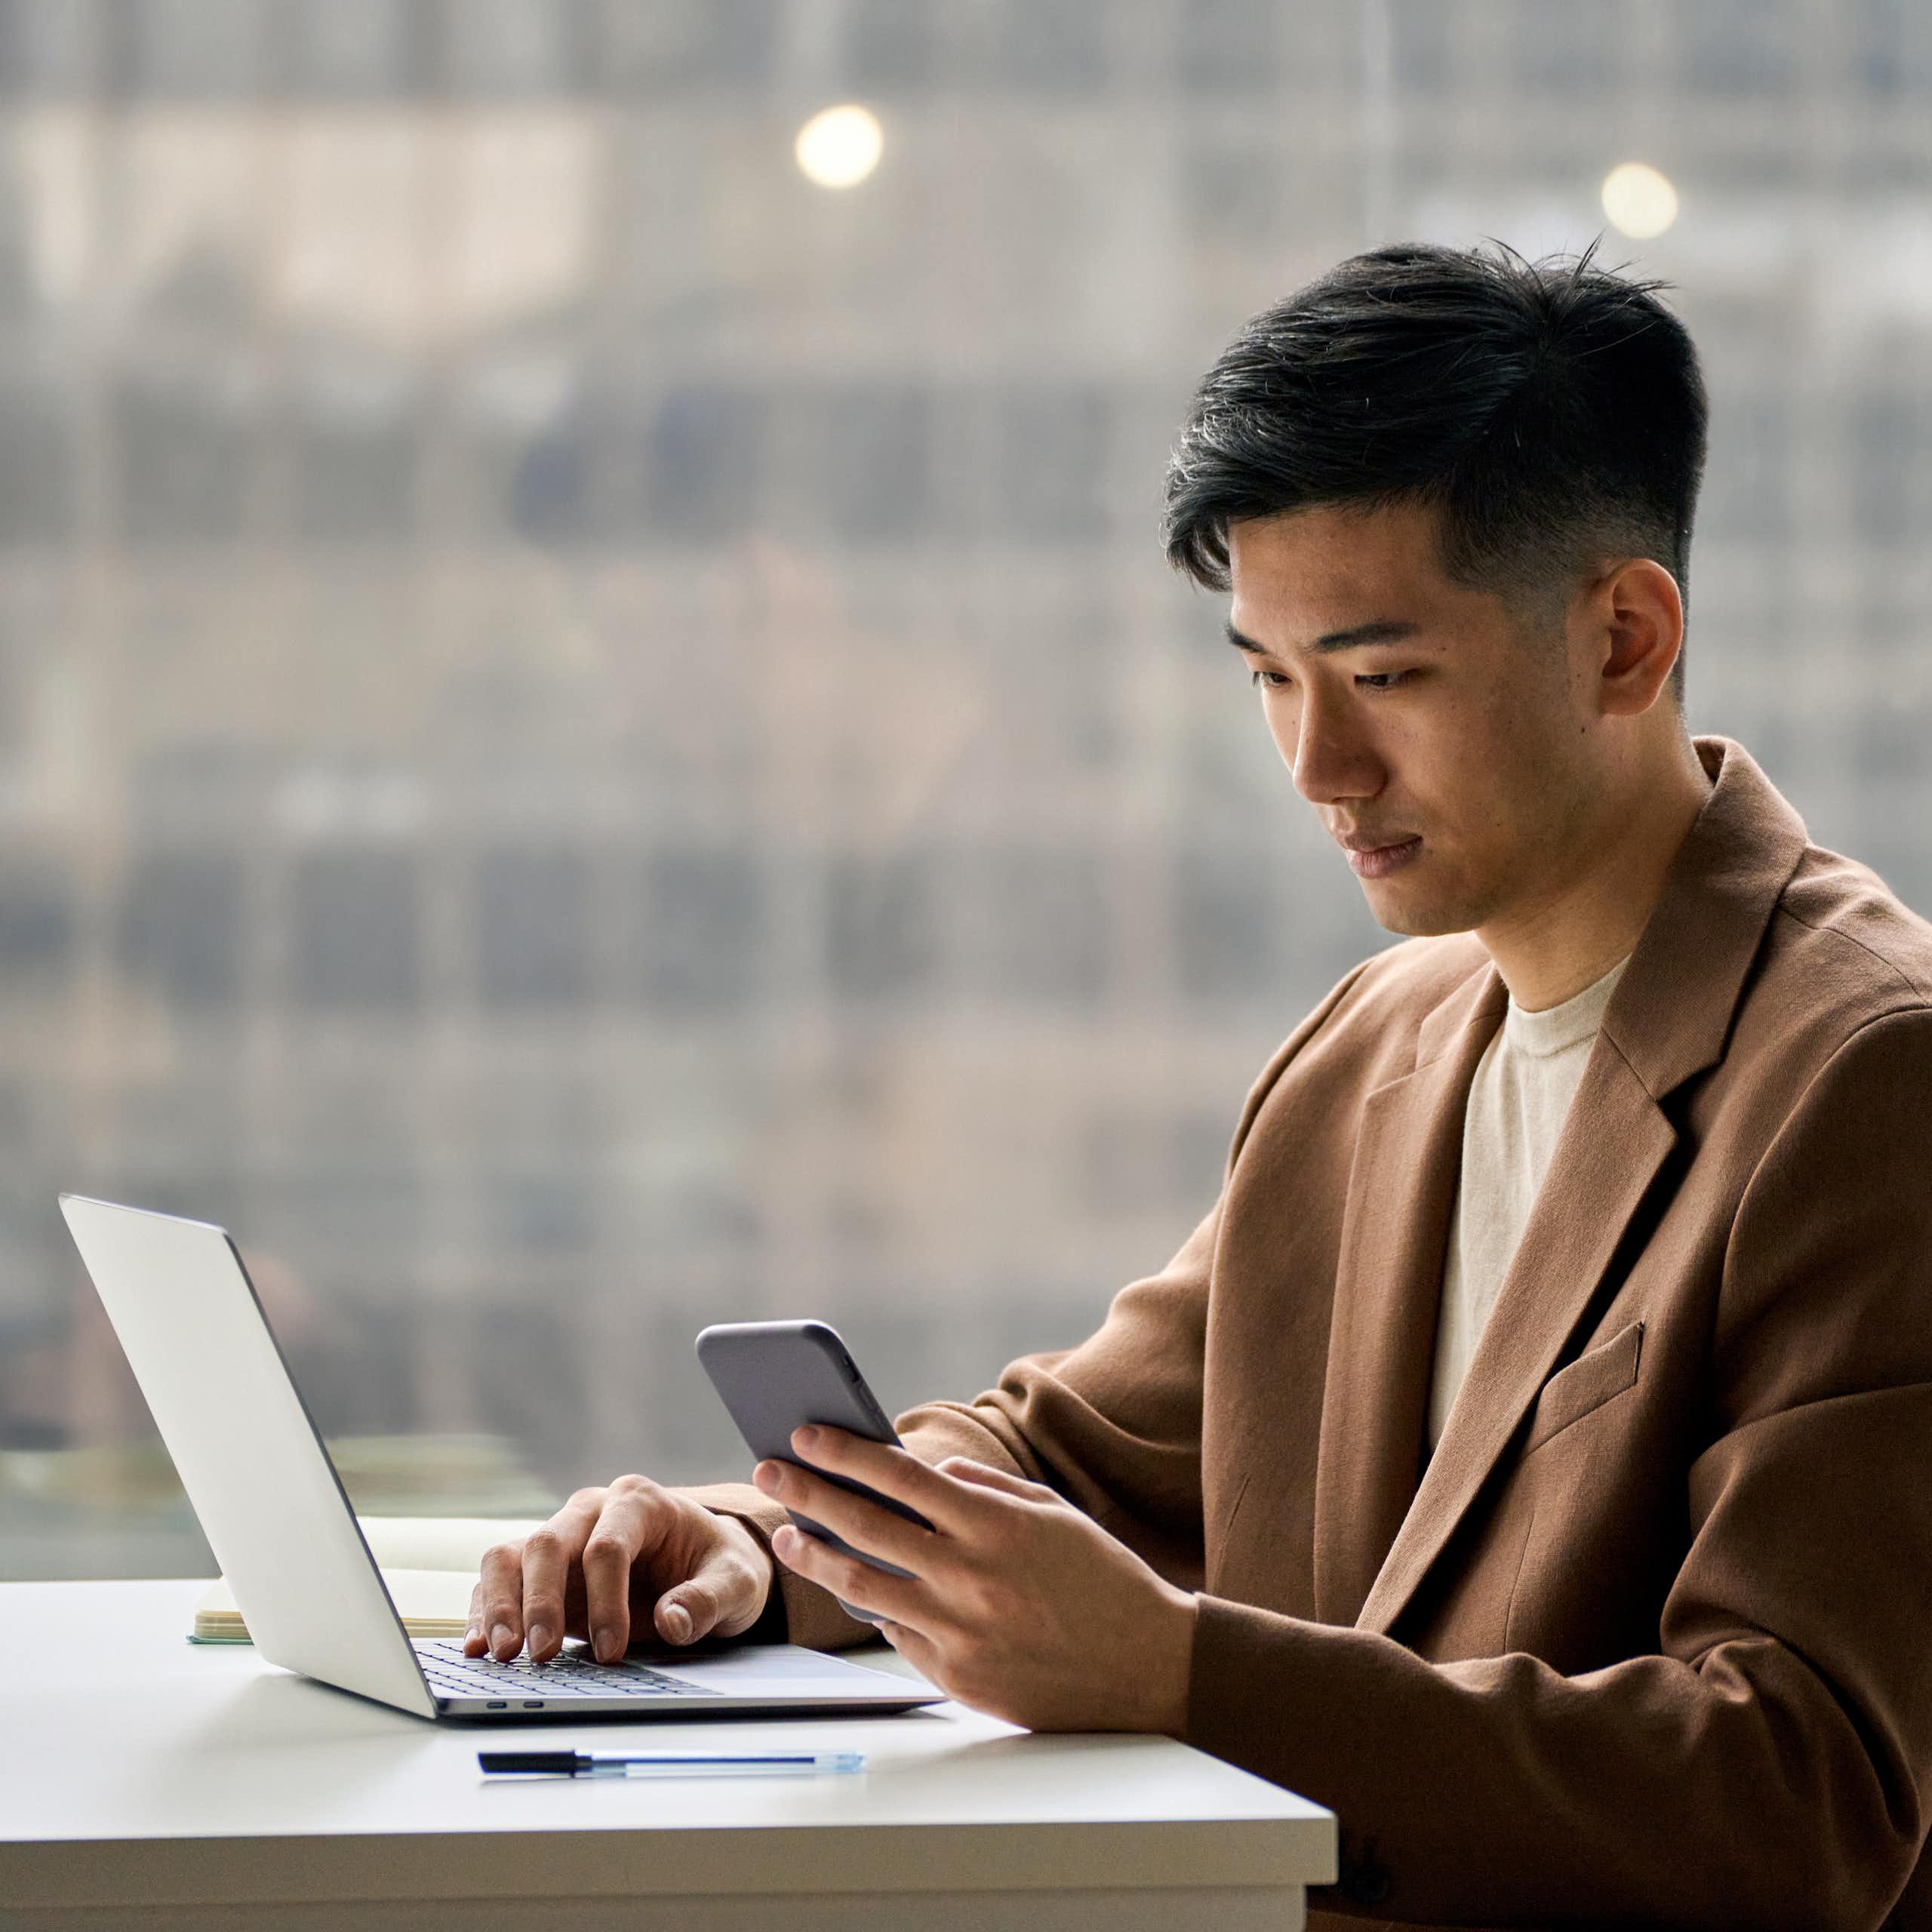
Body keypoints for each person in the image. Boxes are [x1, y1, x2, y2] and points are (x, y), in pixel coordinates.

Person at [466, 240, 1932, 1930]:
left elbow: (1800, 1792)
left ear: (1621, 633)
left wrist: (1173, 1670)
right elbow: (1067, 1453)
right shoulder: (1374, 1045)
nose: (1315, 765)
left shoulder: (1863, 1075)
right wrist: (756, 1545)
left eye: (1382, 676)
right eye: (1265, 676)